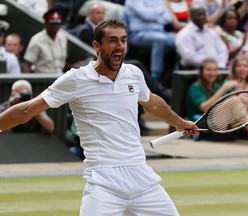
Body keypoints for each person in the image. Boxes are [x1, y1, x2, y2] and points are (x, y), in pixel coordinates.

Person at [0, 19, 198, 215]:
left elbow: (152, 102)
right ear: (97, 45)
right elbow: (27, 109)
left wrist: (180, 123)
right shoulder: (75, 79)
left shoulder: (134, 73)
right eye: (112, 40)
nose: (119, 46)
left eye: (123, 40)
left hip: (143, 179)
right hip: (104, 182)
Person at [185, 58, 240, 141]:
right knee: (233, 100)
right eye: (209, 70)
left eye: (215, 70)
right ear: (202, 71)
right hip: (202, 124)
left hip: (222, 124)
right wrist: (222, 89)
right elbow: (204, 108)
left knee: (240, 100)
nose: (212, 73)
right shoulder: (195, 87)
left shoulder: (216, 86)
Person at [121, 0, 176, 79]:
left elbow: (168, 18)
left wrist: (152, 15)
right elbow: (146, 15)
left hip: (161, 31)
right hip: (138, 34)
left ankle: (176, 72)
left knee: (179, 39)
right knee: (160, 39)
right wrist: (160, 11)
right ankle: (156, 76)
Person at [23, 8, 68, 74]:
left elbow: (59, 61)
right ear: (46, 24)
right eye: (53, 24)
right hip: (43, 80)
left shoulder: (62, 37)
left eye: (58, 23)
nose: (55, 26)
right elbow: (28, 65)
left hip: (59, 77)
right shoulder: (37, 40)